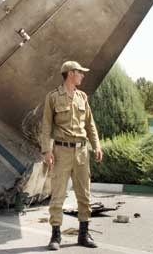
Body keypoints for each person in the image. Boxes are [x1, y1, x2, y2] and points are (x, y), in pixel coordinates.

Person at [40, 61, 103, 250]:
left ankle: (84, 234)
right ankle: (55, 236)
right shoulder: (52, 97)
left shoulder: (82, 97)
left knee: (84, 195)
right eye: (80, 73)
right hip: (61, 152)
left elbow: (90, 125)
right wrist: (47, 150)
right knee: (58, 194)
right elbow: (46, 126)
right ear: (70, 74)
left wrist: (96, 145)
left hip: (82, 152)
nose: (82, 76)